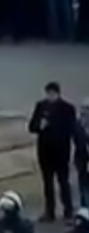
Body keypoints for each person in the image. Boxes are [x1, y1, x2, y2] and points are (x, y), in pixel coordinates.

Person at [28, 82, 76, 222]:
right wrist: (39, 125)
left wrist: (54, 127)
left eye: (52, 93)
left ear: (57, 94)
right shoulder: (41, 106)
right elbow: (32, 127)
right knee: (47, 183)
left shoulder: (67, 109)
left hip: (61, 152)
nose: (50, 96)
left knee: (63, 182)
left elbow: (70, 128)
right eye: (48, 93)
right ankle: (50, 211)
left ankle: (68, 210)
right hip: (45, 152)